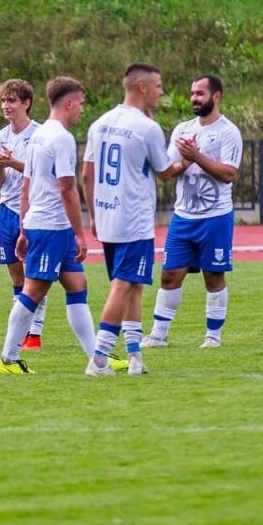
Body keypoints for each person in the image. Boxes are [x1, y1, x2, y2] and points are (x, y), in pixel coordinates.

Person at [0, 76, 101, 374]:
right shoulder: (60, 138)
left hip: (47, 225)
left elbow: (27, 185)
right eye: (80, 104)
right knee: (33, 290)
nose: (81, 110)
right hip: (51, 225)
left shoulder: (40, 135)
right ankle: (7, 359)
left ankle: (97, 358)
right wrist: (80, 234)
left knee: (77, 284)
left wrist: (24, 228)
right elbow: (68, 188)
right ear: (68, 103)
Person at [81, 63, 181, 375]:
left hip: (108, 215)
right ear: (142, 87)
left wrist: (94, 215)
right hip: (134, 219)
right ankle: (99, 358)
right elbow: (165, 172)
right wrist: (186, 160)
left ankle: (135, 356)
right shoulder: (146, 128)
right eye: (158, 86)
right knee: (123, 286)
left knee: (134, 285)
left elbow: (87, 174)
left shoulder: (101, 123)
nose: (161, 92)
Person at [144, 74, 242, 350]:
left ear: (216, 96)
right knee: (169, 274)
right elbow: (167, 172)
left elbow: (229, 174)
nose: (194, 99)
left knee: (214, 276)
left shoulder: (228, 132)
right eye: (192, 94)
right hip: (183, 217)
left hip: (215, 217)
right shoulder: (182, 130)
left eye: (200, 93)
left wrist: (198, 156)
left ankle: (213, 337)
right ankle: (159, 335)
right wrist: (184, 162)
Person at [0, 78, 47, 350]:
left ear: (26, 103)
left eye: (12, 100)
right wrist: (0, 166)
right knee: (16, 276)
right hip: (7, 211)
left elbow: (43, 173)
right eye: (3, 100)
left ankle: (34, 333)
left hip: (34, 211)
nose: (6, 105)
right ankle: (22, 330)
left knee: (35, 274)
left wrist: (14, 162)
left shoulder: (41, 134)